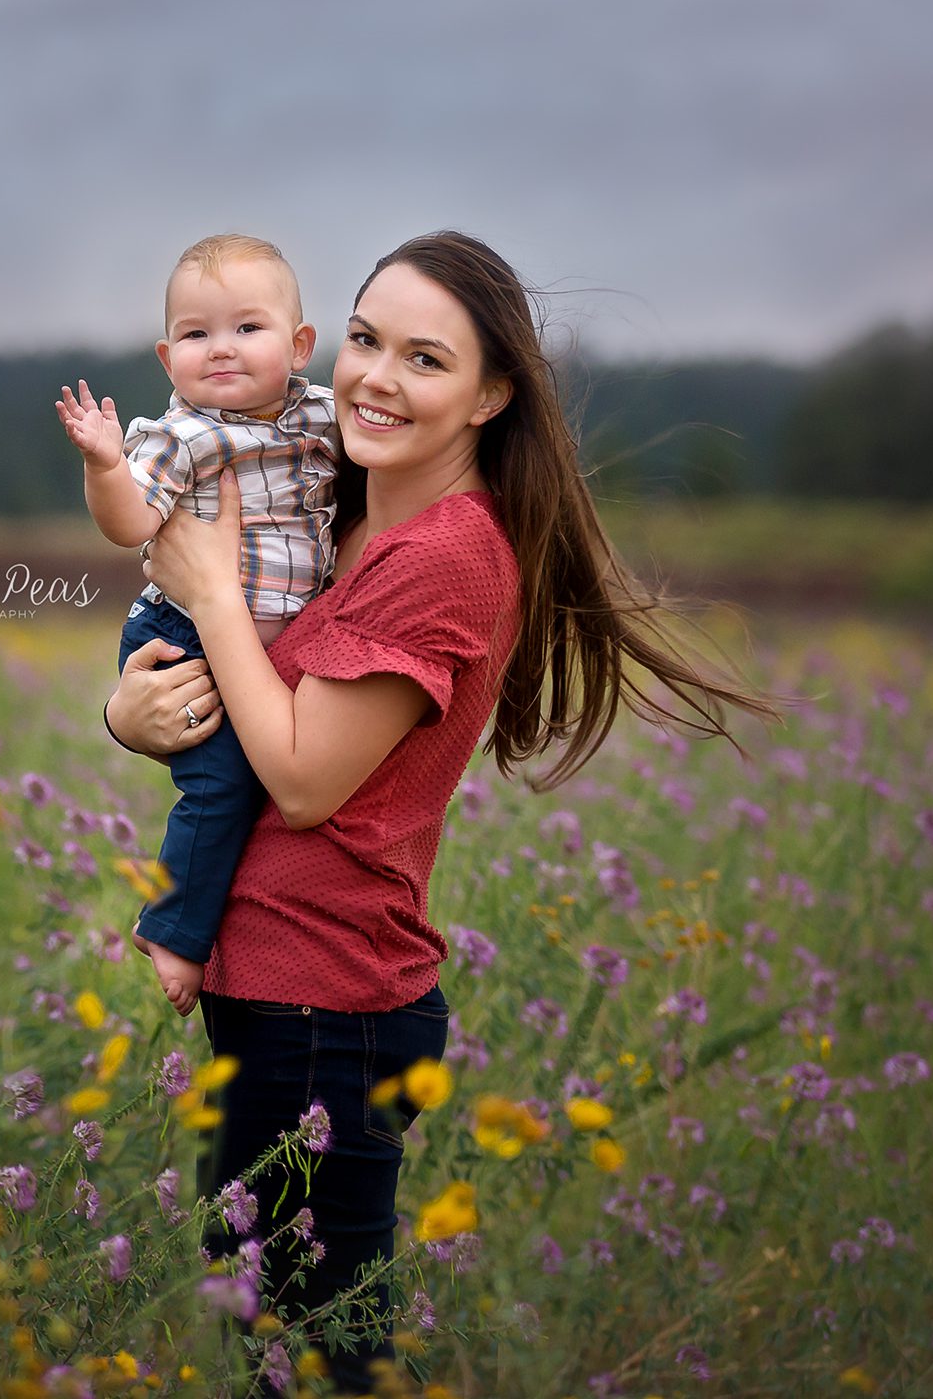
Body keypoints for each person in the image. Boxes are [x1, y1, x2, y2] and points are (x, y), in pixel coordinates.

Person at [102, 231, 781, 1394]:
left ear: (490, 394)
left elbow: (308, 781)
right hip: (278, 987)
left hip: (326, 999)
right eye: (364, 339)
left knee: (314, 1356)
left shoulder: (447, 553)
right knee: (269, 1330)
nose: (373, 376)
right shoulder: (340, 512)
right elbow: (243, 693)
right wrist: (131, 712)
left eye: (424, 359)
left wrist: (210, 593)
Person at [56, 233, 341, 1017]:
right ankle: (175, 930)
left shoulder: (323, 416)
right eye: (195, 334)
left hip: (261, 636)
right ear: (165, 355)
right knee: (222, 785)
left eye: (248, 328)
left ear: (300, 344)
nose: (221, 350)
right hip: (183, 633)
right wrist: (105, 466)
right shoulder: (179, 436)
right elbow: (130, 524)